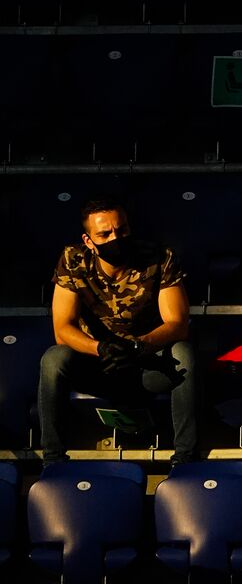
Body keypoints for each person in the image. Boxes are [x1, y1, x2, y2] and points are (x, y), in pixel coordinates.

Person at [41, 196, 196, 465]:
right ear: (88, 240)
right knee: (54, 359)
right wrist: (99, 348)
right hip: (98, 363)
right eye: (104, 234)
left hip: (146, 363)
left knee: (184, 354)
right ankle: (52, 460)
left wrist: (139, 345)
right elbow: (62, 328)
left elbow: (177, 324)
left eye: (121, 230)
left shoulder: (159, 258)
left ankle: (185, 458)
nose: (115, 237)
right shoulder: (73, 259)